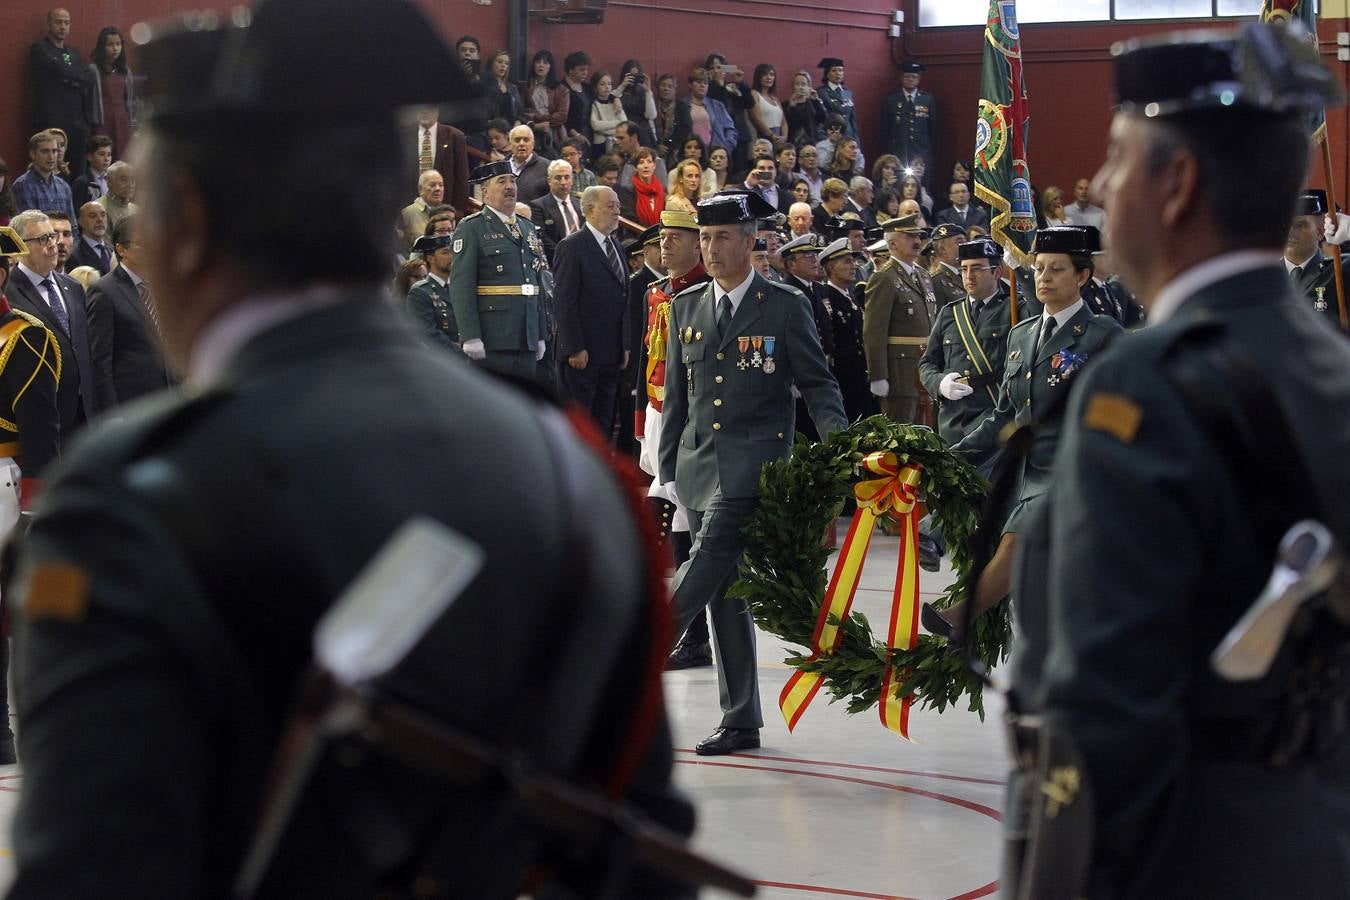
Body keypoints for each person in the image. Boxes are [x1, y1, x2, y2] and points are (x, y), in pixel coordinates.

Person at [7, 3, 698, 896]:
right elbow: (644, 854)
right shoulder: (566, 468)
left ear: (186, 215)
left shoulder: (132, 495)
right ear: (388, 216)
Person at [1007, 25, 1350, 899]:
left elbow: (1103, 715)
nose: (1098, 189)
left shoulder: (1148, 386)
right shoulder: (1332, 367)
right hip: (1310, 835)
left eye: (1118, 161)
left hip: (1185, 854)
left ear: (1178, 183)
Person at [659, 190, 846, 756]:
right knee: (726, 594)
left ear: (749, 241)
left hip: (755, 465)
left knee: (708, 559)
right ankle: (741, 717)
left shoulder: (785, 305)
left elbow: (818, 385)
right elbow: (676, 397)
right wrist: (667, 468)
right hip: (697, 466)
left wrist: (843, 451)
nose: (710, 250)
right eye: (704, 238)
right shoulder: (686, 305)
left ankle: (635, 649)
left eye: (721, 238)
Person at [932, 225, 1122, 636]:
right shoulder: (1022, 335)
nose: (1044, 278)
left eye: (1056, 269)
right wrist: (949, 458)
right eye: (1038, 269)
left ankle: (960, 618)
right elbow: (1004, 415)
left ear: (1083, 277)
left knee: (1017, 543)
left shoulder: (1102, 334)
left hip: (1075, 471)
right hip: (1023, 475)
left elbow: (1123, 410)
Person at [636, 209, 711, 669]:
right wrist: (642, 416)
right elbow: (646, 360)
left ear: (697, 243)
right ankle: (688, 631)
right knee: (675, 520)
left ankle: (692, 629)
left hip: (692, 418)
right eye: (662, 237)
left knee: (691, 522)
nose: (665, 245)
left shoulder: (702, 293)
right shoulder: (655, 293)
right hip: (660, 411)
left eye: (676, 238)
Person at [449, 160, 548, 380]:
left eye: (512, 181)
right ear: (485, 193)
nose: (509, 186)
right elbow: (461, 285)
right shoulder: (472, 227)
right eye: (501, 181)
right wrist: (470, 335)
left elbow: (537, 282)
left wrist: (540, 332)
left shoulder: (527, 227)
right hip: (493, 336)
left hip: (527, 335)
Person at [553, 185, 630, 434]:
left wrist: (625, 345)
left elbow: (622, 299)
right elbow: (565, 301)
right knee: (580, 428)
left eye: (618, 205)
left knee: (603, 425)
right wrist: (574, 347)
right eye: (610, 205)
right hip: (582, 355)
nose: (617, 211)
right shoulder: (572, 246)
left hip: (611, 353)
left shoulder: (616, 247)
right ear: (588, 209)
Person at [84, 213, 172, 411]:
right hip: (133, 402)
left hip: (171, 394)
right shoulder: (104, 291)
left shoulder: (163, 283)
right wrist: (112, 412)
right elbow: (100, 361)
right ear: (121, 249)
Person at [863, 214, 936, 423]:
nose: (917, 241)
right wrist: (878, 375)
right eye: (909, 237)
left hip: (926, 371)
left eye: (918, 236)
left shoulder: (923, 275)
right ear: (893, 243)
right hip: (900, 374)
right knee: (903, 436)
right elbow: (874, 331)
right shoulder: (884, 278)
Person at [29, 8, 92, 179]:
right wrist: (71, 76)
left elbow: (87, 77)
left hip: (77, 122)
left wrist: (68, 75)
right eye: (58, 22)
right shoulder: (40, 49)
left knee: (78, 172)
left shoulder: (73, 53)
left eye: (66, 22)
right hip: (52, 120)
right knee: (53, 169)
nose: (63, 26)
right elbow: (58, 69)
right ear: (48, 24)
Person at [817, 238, 874, 423]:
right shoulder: (826, 297)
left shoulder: (851, 297)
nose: (854, 266)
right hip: (842, 376)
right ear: (832, 268)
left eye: (854, 261)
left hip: (859, 374)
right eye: (847, 261)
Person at [1284, 188, 1349, 327]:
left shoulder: (1339, 269)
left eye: (1300, 225)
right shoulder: (1265, 274)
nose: (1290, 232)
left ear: (1320, 232)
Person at [405, 233, 459, 352]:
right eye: (445, 252)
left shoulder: (459, 287)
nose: (451, 256)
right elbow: (428, 334)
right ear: (431, 259)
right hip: (445, 359)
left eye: (452, 251)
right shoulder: (420, 292)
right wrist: (461, 351)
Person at [88, 27, 135, 160]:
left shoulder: (125, 71)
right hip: (103, 120)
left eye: (118, 44)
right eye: (110, 44)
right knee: (103, 157)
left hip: (122, 120)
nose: (115, 48)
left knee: (122, 158)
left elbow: (129, 100)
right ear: (102, 47)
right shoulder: (94, 69)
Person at [12, 132, 75, 230]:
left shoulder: (63, 186)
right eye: (45, 151)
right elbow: (31, 226)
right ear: (33, 154)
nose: (51, 157)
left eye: (54, 151)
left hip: (64, 241)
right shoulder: (23, 185)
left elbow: (72, 225)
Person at [881, 61, 936, 172]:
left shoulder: (927, 99)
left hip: (921, 150)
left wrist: (928, 148)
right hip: (899, 150)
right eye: (907, 76)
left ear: (919, 79)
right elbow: (885, 127)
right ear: (902, 78)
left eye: (914, 77)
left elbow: (933, 127)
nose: (910, 79)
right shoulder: (892, 99)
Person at [674, 70, 738, 162]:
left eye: (705, 83)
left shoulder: (717, 105)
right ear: (690, 85)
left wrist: (726, 146)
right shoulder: (682, 105)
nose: (702, 85)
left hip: (714, 152)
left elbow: (730, 128)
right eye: (699, 82)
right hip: (691, 152)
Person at [529, 158, 584, 263]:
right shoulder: (538, 206)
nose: (563, 182)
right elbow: (542, 238)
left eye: (567, 177)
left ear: (572, 180)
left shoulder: (580, 204)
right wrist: (566, 255)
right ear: (549, 181)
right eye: (558, 178)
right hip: (558, 260)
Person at [615, 60, 659, 148]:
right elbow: (610, 100)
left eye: (636, 76)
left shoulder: (644, 92)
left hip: (644, 133)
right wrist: (622, 86)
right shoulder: (619, 91)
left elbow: (651, 115)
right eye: (631, 76)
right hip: (625, 133)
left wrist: (648, 92)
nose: (634, 79)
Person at [399, 169, 446, 249]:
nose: (438, 189)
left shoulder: (446, 213)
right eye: (432, 185)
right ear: (420, 189)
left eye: (441, 185)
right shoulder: (407, 213)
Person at [66, 200, 112, 275]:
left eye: (103, 215)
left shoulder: (113, 251)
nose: (100, 220)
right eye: (93, 216)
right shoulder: (73, 255)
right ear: (81, 222)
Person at [507, 125, 549, 205]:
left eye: (526, 140)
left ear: (533, 144)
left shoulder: (546, 167)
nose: (521, 143)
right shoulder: (500, 166)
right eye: (517, 140)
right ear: (510, 144)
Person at [480, 50, 524, 127]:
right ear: (491, 64)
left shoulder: (512, 88)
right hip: (491, 130)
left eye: (506, 63)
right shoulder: (483, 85)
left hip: (510, 131)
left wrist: (518, 122)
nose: (503, 65)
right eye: (499, 62)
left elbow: (519, 112)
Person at [816, 58, 857, 140]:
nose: (838, 73)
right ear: (827, 74)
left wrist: (856, 139)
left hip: (848, 136)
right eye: (834, 70)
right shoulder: (821, 92)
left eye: (840, 70)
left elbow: (852, 119)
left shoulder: (847, 93)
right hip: (831, 135)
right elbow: (820, 117)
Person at [589, 72, 626, 159]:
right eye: (602, 84)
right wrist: (616, 123)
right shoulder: (594, 104)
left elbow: (624, 123)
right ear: (595, 87)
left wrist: (605, 129)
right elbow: (596, 125)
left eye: (609, 84)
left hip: (617, 142)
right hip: (600, 145)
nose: (607, 87)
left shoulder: (616, 103)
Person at [785, 70, 827, 146]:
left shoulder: (814, 102)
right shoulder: (786, 104)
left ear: (809, 87)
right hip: (793, 143)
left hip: (813, 142)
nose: (800, 87)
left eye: (803, 84)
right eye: (797, 84)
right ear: (793, 86)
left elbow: (823, 119)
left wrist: (816, 101)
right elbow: (786, 124)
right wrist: (792, 107)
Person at [95, 160, 138, 233]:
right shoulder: (98, 209)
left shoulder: (136, 210)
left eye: (133, 180)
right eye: (124, 180)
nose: (130, 185)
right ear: (109, 182)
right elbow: (101, 243)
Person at [560, 51, 593, 145]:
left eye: (587, 69)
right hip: (571, 135)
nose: (585, 73)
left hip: (589, 132)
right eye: (581, 70)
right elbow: (561, 118)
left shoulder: (587, 87)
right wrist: (576, 135)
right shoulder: (561, 88)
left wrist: (615, 99)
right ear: (570, 69)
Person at [749, 64, 786, 144]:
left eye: (771, 74)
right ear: (758, 77)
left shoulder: (776, 99)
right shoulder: (754, 94)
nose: (769, 77)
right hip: (764, 136)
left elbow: (783, 122)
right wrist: (771, 135)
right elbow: (756, 118)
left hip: (779, 137)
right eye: (765, 74)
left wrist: (784, 136)